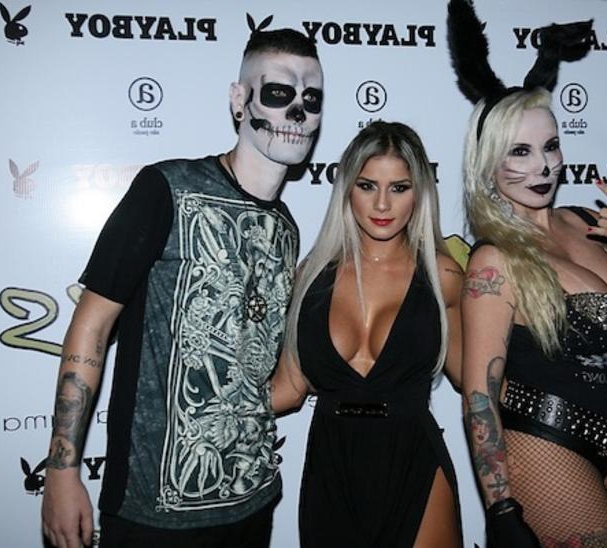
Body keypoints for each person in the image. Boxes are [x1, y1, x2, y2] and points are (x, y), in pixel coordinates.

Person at [41, 24, 324, 548]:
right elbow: (92, 326)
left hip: (253, 498)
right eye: (278, 93)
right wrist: (62, 469)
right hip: (153, 511)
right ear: (239, 100)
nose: (297, 112)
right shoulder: (166, 188)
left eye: (311, 99)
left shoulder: (286, 228)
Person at [447, 2, 607, 547]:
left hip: (601, 443)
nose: (542, 166)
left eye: (550, 147)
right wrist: (500, 509)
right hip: (539, 444)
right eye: (520, 152)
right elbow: (479, 395)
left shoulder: (591, 224)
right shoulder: (495, 260)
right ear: (488, 165)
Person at [270, 121, 464, 547]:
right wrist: (200, 410)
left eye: (399, 188)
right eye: (367, 185)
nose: (382, 203)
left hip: (413, 459)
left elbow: (478, 383)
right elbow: (288, 388)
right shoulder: (310, 277)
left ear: (420, 193)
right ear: (346, 189)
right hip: (332, 466)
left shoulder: (443, 276)